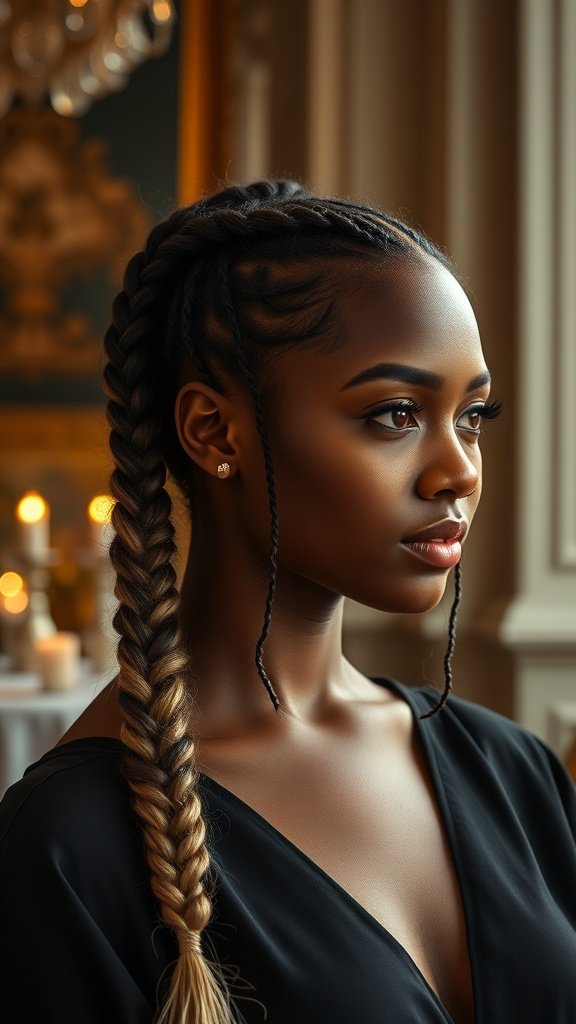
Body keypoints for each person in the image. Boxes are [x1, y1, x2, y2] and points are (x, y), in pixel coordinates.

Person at [1, 180, 575, 1024]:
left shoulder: (513, 770)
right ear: (214, 431)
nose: (459, 471)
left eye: (473, 415)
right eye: (394, 414)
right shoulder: (69, 843)